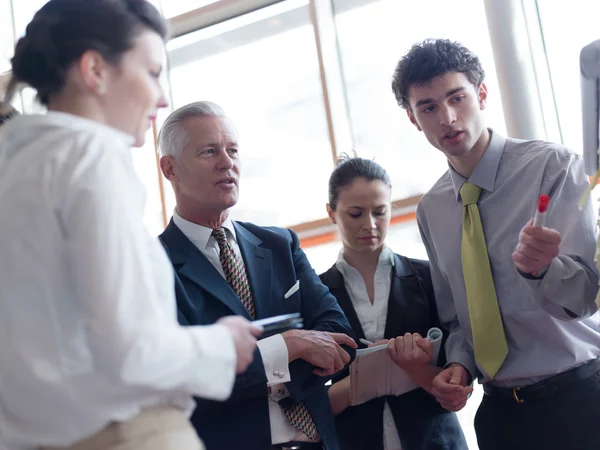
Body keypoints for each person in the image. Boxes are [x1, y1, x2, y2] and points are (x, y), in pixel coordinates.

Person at [0, 2, 261, 449]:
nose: (162, 97)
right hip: (130, 433)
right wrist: (222, 343)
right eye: (153, 72)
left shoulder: (13, 160)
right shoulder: (91, 154)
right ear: (95, 70)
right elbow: (130, 351)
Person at [391, 38, 600, 450]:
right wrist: (458, 366)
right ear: (414, 119)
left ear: (481, 94)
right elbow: (458, 320)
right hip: (501, 416)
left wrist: (543, 270)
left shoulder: (552, 166)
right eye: (428, 107)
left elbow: (588, 294)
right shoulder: (431, 208)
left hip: (582, 399)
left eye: (457, 97)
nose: (447, 118)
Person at [157, 101, 357, 450]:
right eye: (209, 151)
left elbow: (338, 336)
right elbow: (188, 380)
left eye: (232, 150)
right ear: (169, 168)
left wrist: (242, 371)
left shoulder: (279, 244)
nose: (227, 163)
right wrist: (290, 346)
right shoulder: (152, 265)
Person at [319, 156, 467, 450]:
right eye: (355, 213)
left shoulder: (429, 278)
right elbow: (307, 405)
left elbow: (456, 382)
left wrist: (413, 367)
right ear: (332, 213)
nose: (370, 224)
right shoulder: (315, 294)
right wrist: (369, 375)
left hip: (435, 441)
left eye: (380, 212)